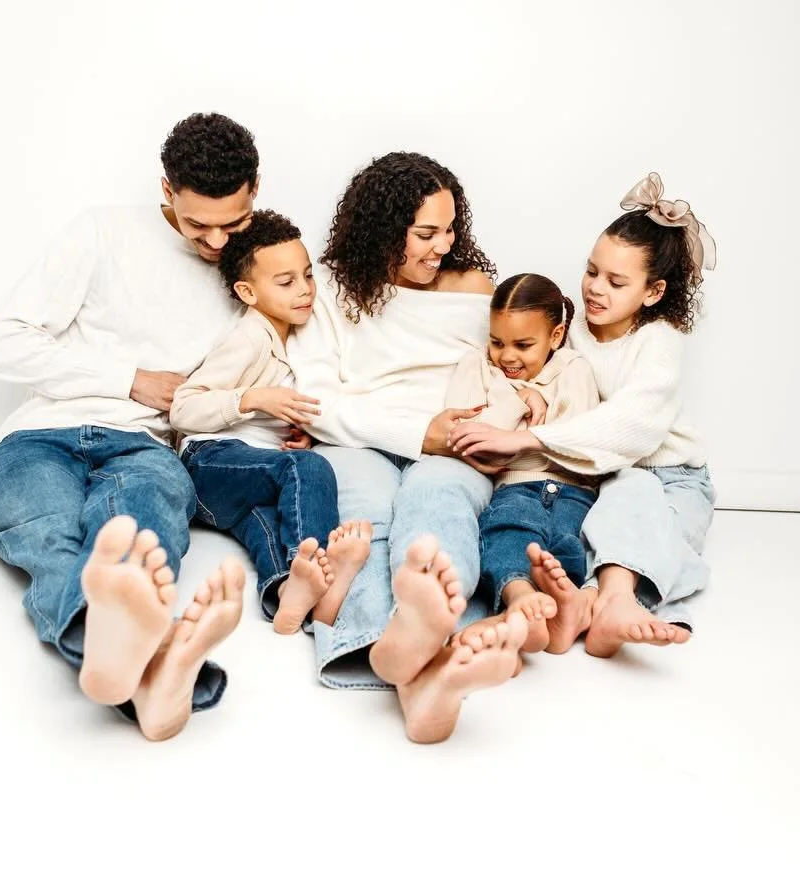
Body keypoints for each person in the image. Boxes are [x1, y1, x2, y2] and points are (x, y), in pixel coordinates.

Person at [0, 112, 259, 740]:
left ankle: (119, 657)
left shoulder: (257, 266)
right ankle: (151, 664)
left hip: (145, 445)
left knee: (143, 531)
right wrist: (130, 379)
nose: (215, 243)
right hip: (39, 434)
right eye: (197, 225)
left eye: (230, 224)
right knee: (47, 532)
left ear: (255, 193)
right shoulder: (101, 232)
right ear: (166, 191)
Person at [290, 151, 529, 744]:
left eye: (451, 228)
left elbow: (512, 367)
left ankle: (420, 639)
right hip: (358, 440)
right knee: (363, 520)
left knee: (437, 501)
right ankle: (416, 662)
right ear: (382, 228)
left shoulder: (475, 290)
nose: (444, 245)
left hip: (455, 447)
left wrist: (523, 407)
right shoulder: (330, 292)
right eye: (426, 233)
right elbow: (317, 399)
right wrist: (417, 431)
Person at [450, 172, 718, 658]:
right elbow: (531, 371)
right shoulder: (570, 335)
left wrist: (532, 440)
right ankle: (581, 604)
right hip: (601, 478)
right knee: (574, 535)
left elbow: (636, 422)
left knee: (656, 542)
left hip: (671, 476)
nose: (595, 288)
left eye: (616, 282)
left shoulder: (657, 340)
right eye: (592, 271)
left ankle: (608, 601)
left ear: (653, 292)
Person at [169, 210, 373, 635]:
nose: (304, 291)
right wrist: (253, 398)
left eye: (307, 276)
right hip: (209, 463)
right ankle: (315, 563)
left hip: (244, 482)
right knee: (309, 469)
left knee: (268, 521)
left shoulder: (298, 337)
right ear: (247, 292)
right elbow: (183, 408)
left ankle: (288, 596)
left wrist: (297, 434)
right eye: (286, 283)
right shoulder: (249, 338)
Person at [442, 273, 604, 657]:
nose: (508, 356)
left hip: (573, 491)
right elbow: (467, 440)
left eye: (523, 345)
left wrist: (524, 433)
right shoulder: (476, 366)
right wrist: (519, 401)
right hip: (514, 488)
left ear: (556, 335)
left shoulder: (573, 369)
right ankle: (518, 596)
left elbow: (583, 445)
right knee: (503, 532)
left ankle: (555, 610)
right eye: (497, 342)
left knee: (565, 546)